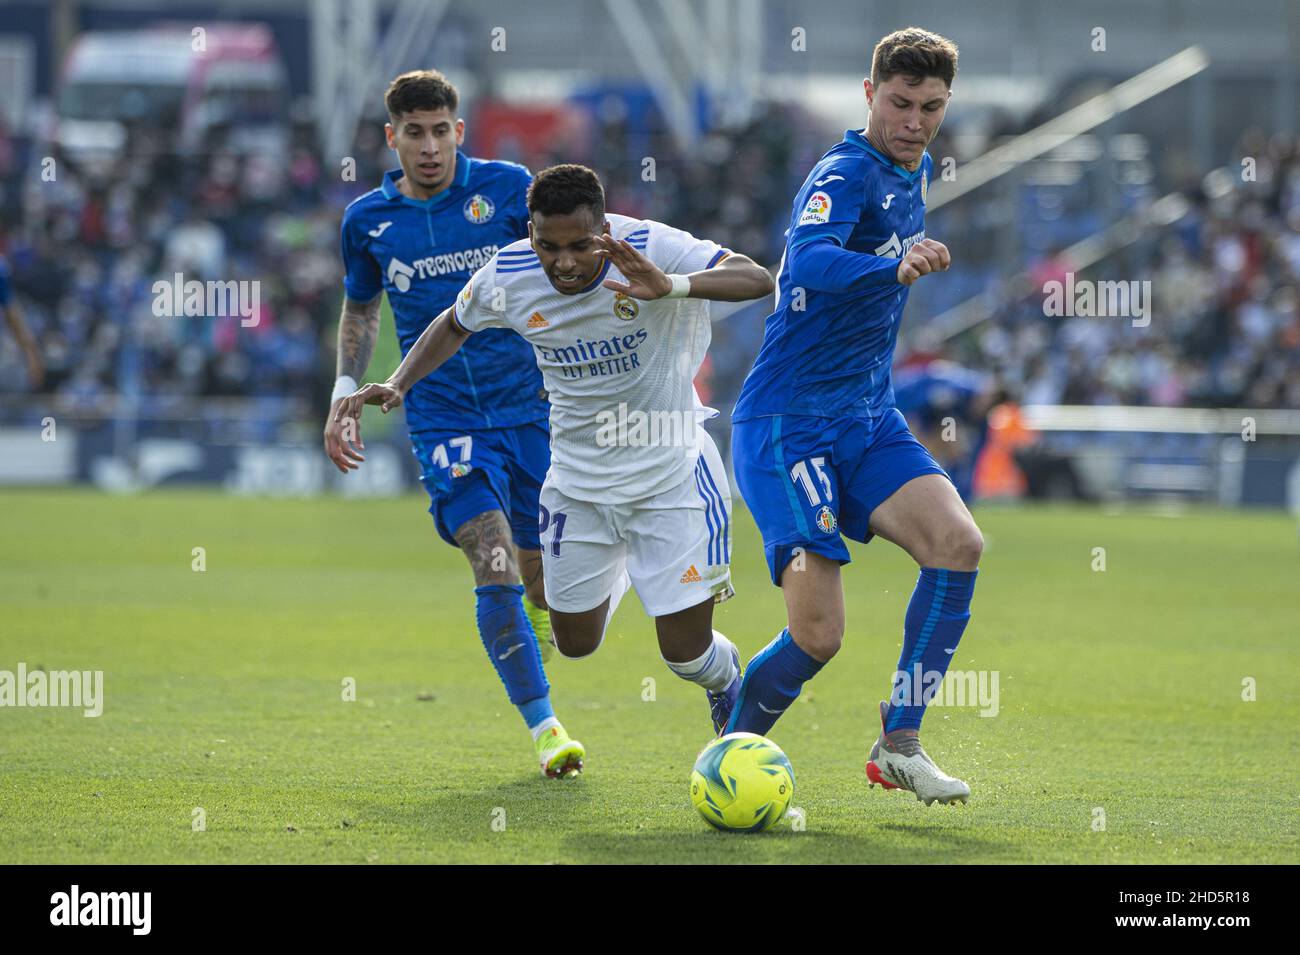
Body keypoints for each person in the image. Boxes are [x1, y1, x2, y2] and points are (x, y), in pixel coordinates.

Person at [335, 164, 775, 737]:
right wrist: (397, 381)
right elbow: (455, 321)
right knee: (574, 643)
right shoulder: (510, 272)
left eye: (580, 246)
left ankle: (725, 678)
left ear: (605, 226)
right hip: (578, 482)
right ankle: (625, 566)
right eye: (549, 245)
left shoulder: (651, 246)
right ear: (531, 232)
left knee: (685, 656)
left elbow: (755, 278)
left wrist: (672, 285)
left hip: (671, 478)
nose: (564, 262)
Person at [728, 28, 981, 806]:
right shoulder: (843, 171)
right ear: (869, 95)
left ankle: (899, 741)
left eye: (930, 107)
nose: (914, 121)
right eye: (900, 103)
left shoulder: (919, 167)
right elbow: (802, 263)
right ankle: (729, 749)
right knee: (819, 636)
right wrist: (891, 266)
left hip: (866, 417)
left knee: (959, 543)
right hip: (786, 424)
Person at [325, 70, 582, 778]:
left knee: (544, 585)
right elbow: (360, 308)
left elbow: (569, 258)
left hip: (534, 410)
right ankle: (546, 728)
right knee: (490, 556)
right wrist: (344, 387)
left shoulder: (506, 190)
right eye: (415, 133)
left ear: (459, 131)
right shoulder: (367, 222)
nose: (430, 146)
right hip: (442, 419)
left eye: (441, 131)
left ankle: (536, 618)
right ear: (392, 138)